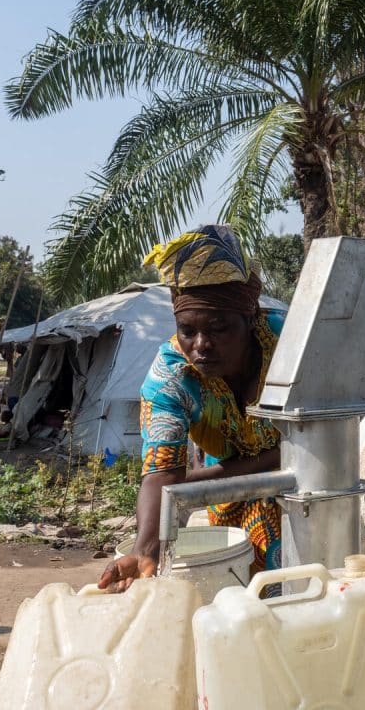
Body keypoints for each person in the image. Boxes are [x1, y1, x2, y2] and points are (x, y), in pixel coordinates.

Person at [99, 225, 285, 592]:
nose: (201, 345)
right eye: (187, 330)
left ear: (250, 320)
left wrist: (197, 483)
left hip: (307, 495)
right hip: (228, 502)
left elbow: (326, 434)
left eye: (219, 328)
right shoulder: (170, 374)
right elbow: (161, 473)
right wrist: (145, 549)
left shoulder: (288, 345)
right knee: (239, 599)